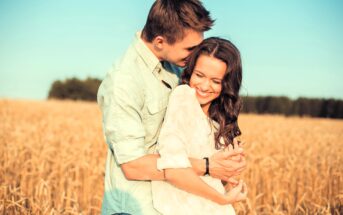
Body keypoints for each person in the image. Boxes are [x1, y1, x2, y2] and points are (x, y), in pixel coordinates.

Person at [97, 1, 246, 214]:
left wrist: (226, 165)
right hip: (135, 209)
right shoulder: (123, 82)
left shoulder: (175, 67)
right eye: (190, 49)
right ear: (160, 41)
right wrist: (207, 166)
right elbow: (133, 166)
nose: (195, 55)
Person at [151, 37, 247, 215]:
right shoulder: (183, 98)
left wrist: (229, 167)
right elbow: (173, 170)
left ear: (227, 84)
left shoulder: (217, 120)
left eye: (215, 81)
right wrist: (223, 199)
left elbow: (210, 176)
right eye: (199, 75)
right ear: (190, 72)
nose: (204, 86)